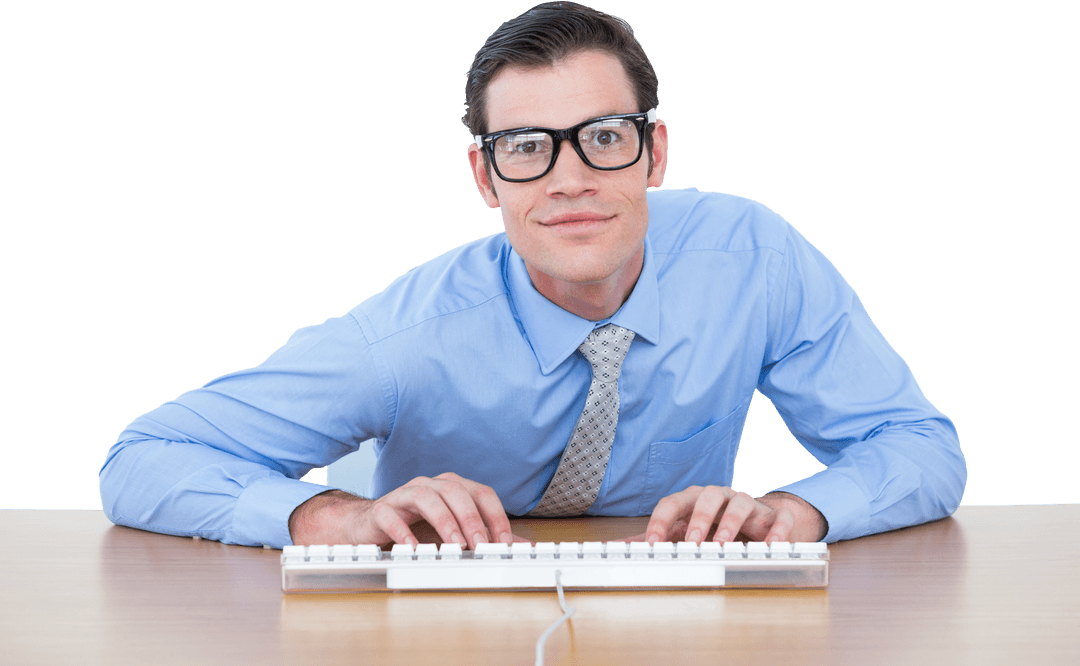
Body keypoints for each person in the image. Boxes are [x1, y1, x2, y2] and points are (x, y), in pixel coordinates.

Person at [99, 2, 966, 550]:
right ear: (485, 179)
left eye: (604, 136)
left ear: (653, 152)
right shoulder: (404, 340)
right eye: (525, 148)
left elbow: (919, 447)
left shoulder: (755, 261)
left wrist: (795, 513)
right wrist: (327, 517)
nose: (570, 179)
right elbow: (144, 458)